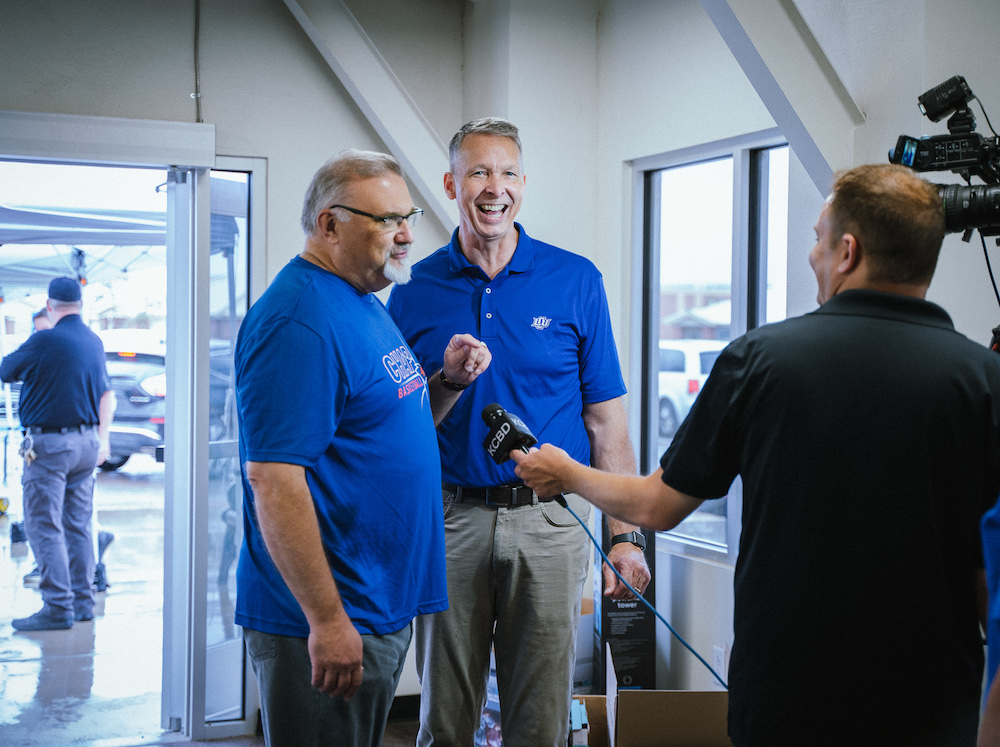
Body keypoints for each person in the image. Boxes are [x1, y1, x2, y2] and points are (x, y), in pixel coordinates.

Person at [511, 163, 1000, 746]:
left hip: (788, 696)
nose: (812, 255)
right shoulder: (984, 382)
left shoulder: (762, 362)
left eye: (818, 239)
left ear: (848, 251)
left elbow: (657, 505)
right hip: (933, 703)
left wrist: (564, 470)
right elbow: (986, 580)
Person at [387, 117, 650, 746]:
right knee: (446, 720)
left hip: (551, 523)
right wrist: (444, 380)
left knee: (540, 720)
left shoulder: (575, 280)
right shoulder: (413, 288)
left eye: (506, 173)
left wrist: (626, 537)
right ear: (452, 182)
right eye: (477, 171)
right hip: (452, 521)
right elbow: (399, 432)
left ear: (523, 186)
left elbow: (606, 420)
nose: (493, 188)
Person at [234, 149, 491, 747]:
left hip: (374, 600)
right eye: (385, 220)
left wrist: (447, 383)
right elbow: (274, 480)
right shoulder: (300, 321)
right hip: (329, 612)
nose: (405, 236)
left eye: (409, 216)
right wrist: (326, 620)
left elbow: (386, 429)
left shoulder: (361, 300)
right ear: (330, 224)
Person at [1, 277, 116, 631]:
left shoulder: (45, 339)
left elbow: (5, 370)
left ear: (50, 306)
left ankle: (57, 606)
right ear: (79, 304)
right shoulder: (93, 341)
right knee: (78, 525)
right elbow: (104, 393)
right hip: (86, 443)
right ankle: (83, 603)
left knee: (43, 525)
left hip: (50, 447)